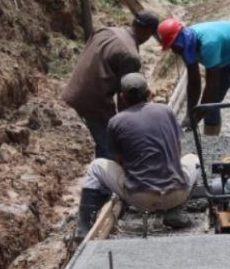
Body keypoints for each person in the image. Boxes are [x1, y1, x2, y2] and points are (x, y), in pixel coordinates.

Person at [75, 73, 200, 239]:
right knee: (193, 159)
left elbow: (120, 160)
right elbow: (177, 151)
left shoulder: (116, 122)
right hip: (177, 194)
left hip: (141, 199)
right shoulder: (166, 111)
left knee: (96, 166)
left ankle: (84, 227)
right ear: (149, 94)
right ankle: (175, 211)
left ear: (122, 97)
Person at [62, 10, 161, 159]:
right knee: (110, 144)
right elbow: (126, 97)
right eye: (151, 35)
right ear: (148, 31)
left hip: (74, 88)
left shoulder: (106, 30)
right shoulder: (130, 55)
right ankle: (104, 177)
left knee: (108, 137)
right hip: (93, 100)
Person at [158, 19, 230, 138]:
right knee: (213, 100)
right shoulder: (186, 46)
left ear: (178, 40)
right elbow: (194, 82)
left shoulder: (208, 43)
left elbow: (212, 86)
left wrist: (196, 118)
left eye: (172, 46)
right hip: (228, 55)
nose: (173, 50)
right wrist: (190, 114)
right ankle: (211, 139)